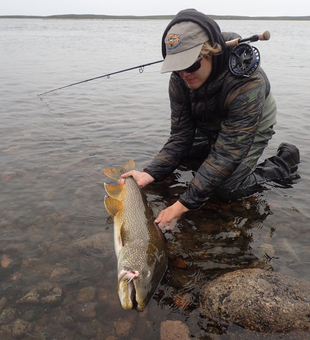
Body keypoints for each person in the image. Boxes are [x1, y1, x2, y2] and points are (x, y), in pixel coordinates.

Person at [119, 8, 300, 230]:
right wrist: (150, 173)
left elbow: (229, 151)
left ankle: (284, 163)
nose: (184, 74)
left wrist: (183, 204)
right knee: (183, 160)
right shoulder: (181, 78)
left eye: (191, 64)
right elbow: (180, 136)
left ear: (211, 53)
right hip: (210, 120)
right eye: (177, 68)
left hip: (253, 123)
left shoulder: (247, 82)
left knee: (226, 189)